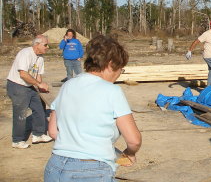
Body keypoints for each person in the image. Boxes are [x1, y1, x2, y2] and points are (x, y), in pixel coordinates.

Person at [44, 35, 142, 181]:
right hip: (91, 171)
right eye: (121, 69)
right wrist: (130, 153)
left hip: (55, 167)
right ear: (110, 64)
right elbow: (134, 140)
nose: (119, 74)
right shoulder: (112, 91)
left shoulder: (67, 85)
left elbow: (53, 132)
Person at [6, 34, 52, 149]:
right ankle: (17, 140)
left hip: (29, 86)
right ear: (37, 45)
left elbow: (38, 75)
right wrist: (38, 84)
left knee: (39, 108)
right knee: (20, 114)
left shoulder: (40, 58)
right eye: (45, 45)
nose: (47, 47)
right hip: (17, 85)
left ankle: (38, 134)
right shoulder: (25, 54)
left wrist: (41, 87)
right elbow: (23, 74)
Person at [186, 20, 211, 86]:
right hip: (208, 56)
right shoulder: (207, 34)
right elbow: (196, 41)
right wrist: (190, 50)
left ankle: (208, 88)